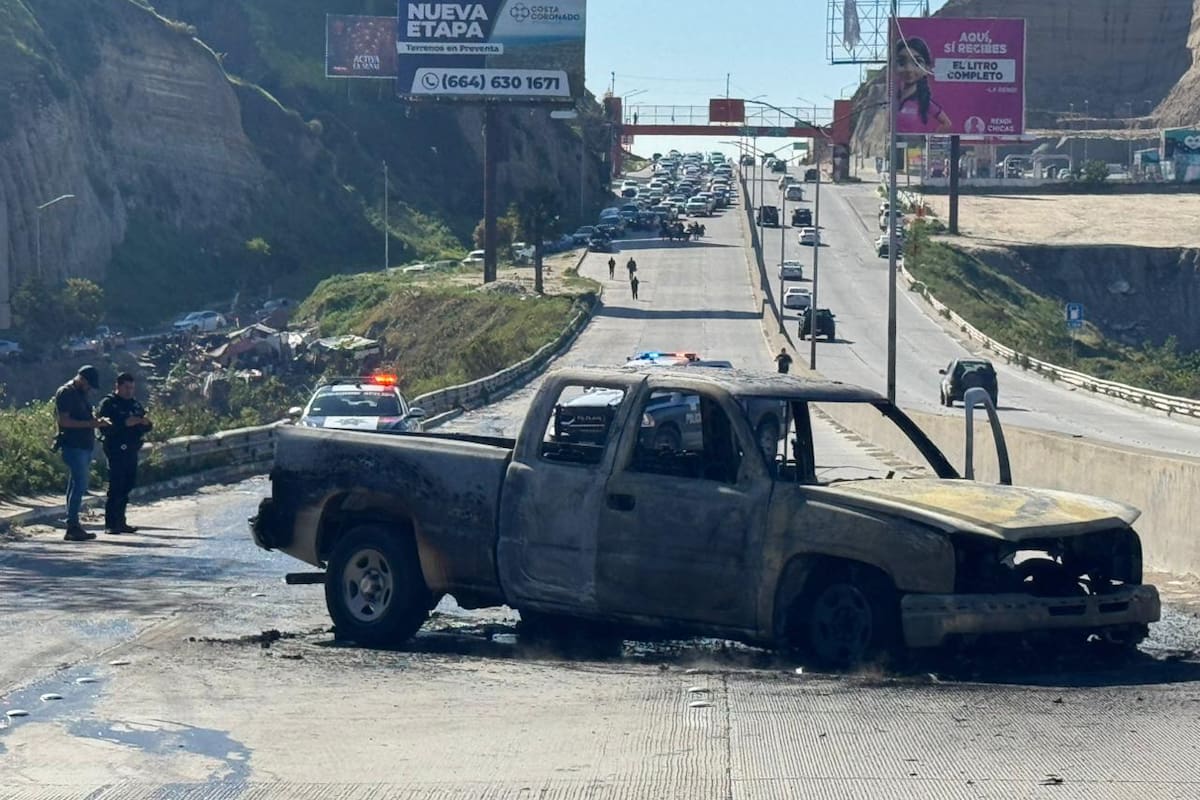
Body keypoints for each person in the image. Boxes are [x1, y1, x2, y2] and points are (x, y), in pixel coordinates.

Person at [54, 365, 110, 542]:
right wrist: (90, 425)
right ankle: (72, 525)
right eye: (88, 384)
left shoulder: (80, 394)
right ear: (82, 379)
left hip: (84, 445)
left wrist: (97, 422)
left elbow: (83, 417)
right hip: (73, 445)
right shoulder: (66, 393)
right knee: (80, 485)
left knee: (75, 484)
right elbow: (65, 421)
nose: (89, 388)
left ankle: (73, 522)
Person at [97, 373, 153, 535]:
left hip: (132, 449)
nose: (129, 391)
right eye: (126, 388)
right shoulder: (109, 404)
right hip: (115, 449)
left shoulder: (134, 404)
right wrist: (124, 423)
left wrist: (144, 423)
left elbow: (145, 424)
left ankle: (121, 521)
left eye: (132, 388)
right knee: (116, 485)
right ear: (118, 386)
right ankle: (111, 523)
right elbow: (104, 427)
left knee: (128, 484)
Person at [895, 37, 953, 135]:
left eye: (917, 63)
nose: (909, 69)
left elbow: (947, 123)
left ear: (926, 68)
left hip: (915, 147)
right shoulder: (890, 98)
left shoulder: (923, 101)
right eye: (902, 62)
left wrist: (930, 140)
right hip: (891, 145)